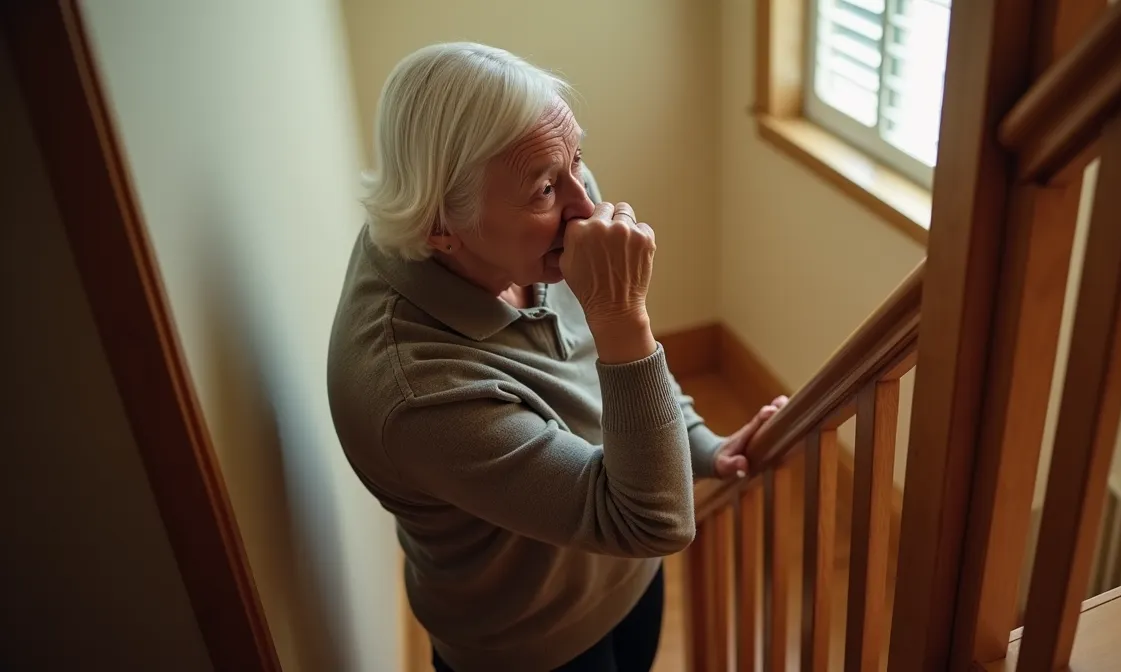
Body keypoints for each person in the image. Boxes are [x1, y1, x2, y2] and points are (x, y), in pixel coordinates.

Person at [327, 43, 786, 672]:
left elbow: (612, 366)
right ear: (439, 227)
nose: (586, 205)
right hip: (529, 643)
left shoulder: (536, 223)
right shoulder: (416, 390)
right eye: (546, 187)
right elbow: (655, 521)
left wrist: (702, 443)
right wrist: (622, 312)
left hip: (626, 572)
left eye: (578, 159)